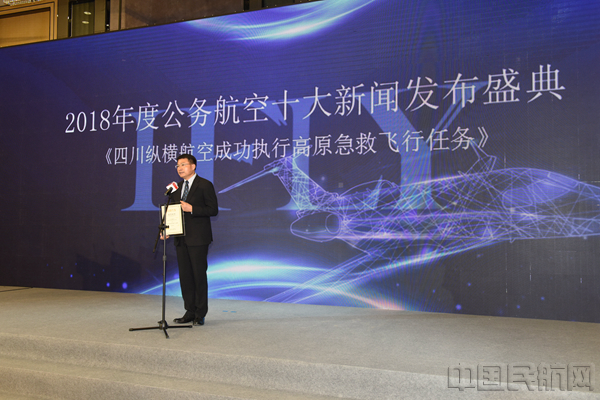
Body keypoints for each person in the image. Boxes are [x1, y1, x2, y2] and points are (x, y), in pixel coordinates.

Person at [168, 154, 218, 326]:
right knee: (185, 277)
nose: (179, 168)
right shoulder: (176, 188)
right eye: (177, 165)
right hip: (181, 238)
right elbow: (172, 212)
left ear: (193, 166)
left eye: (183, 164)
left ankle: (200, 313)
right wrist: (167, 229)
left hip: (198, 239)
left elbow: (213, 210)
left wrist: (192, 208)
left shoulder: (204, 185)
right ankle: (189, 311)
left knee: (198, 275)